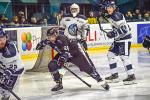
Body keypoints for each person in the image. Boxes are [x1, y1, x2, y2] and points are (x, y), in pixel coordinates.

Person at [36, 27, 109, 91]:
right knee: (52, 65)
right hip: (64, 54)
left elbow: (67, 53)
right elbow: (44, 42)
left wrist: (62, 60)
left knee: (88, 68)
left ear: (56, 34)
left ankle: (100, 80)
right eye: (49, 37)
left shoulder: (61, 38)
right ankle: (59, 83)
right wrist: (40, 44)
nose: (50, 39)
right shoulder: (50, 40)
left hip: (75, 53)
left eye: (52, 36)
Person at [104, 1, 136, 85]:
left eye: (111, 7)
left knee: (124, 57)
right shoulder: (111, 15)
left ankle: (131, 76)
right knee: (110, 54)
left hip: (125, 39)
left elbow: (125, 29)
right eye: (107, 7)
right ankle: (114, 75)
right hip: (118, 40)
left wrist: (113, 33)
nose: (109, 9)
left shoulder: (117, 15)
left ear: (114, 8)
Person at [0, 27, 24, 100]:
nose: (2, 41)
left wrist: (5, 75)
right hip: (3, 68)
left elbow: (14, 65)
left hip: (16, 70)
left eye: (3, 38)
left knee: (5, 91)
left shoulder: (10, 49)